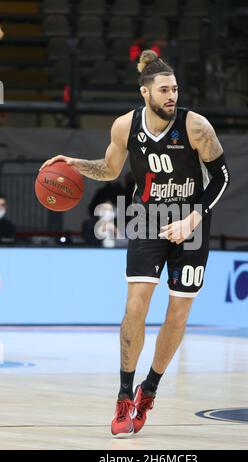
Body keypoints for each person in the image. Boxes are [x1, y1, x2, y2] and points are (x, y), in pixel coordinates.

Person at [40, 50, 230, 438]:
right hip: (148, 219)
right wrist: (74, 164)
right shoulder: (125, 126)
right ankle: (125, 394)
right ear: (145, 93)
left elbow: (221, 178)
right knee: (135, 306)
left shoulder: (195, 127)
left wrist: (194, 216)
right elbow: (110, 168)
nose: (172, 96)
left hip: (191, 221)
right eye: (164, 90)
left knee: (177, 313)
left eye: (175, 89)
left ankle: (150, 390)